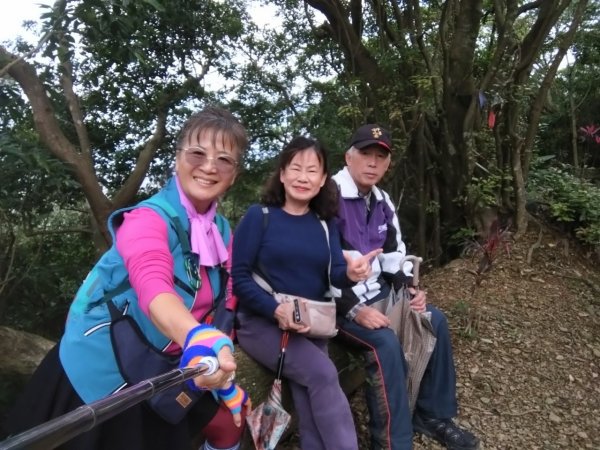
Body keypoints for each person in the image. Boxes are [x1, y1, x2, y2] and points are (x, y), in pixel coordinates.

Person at [3, 106, 252, 450]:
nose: (209, 166)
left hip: (159, 371)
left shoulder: (221, 232)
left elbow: (224, 300)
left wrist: (223, 375)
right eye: (197, 153)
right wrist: (195, 336)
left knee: (226, 424)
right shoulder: (147, 219)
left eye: (224, 159)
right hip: (97, 378)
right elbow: (153, 285)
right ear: (177, 158)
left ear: (234, 174)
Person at [331, 124, 481, 450]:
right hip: (338, 304)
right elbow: (317, 266)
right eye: (365, 154)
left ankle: (432, 414)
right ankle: (391, 442)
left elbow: (393, 256)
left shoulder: (382, 200)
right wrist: (355, 311)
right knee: (383, 343)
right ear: (348, 157)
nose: (372, 163)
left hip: (378, 294)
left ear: (387, 164)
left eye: (380, 157)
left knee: (432, 319)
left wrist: (409, 292)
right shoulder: (328, 198)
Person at [232, 136, 380, 450]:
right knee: (324, 374)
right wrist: (274, 309)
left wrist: (352, 274)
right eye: (295, 168)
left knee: (309, 403)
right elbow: (240, 277)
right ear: (282, 173)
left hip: (312, 324)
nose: (303, 177)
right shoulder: (260, 217)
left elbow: (336, 274)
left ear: (323, 178)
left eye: (312, 171)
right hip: (263, 325)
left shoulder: (325, 223)